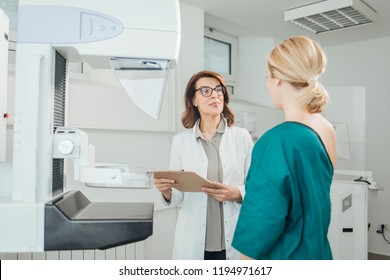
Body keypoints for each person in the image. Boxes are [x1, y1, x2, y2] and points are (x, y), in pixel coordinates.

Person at [232, 36, 337, 260]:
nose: (267, 83)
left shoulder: (276, 142)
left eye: (267, 77)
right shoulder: (326, 129)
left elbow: (259, 228)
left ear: (277, 79)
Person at [154, 70, 253, 260]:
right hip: (194, 241)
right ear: (193, 100)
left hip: (233, 239)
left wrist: (237, 192)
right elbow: (177, 197)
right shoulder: (181, 141)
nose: (215, 95)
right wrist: (166, 190)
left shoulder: (242, 137)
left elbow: (256, 186)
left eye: (218, 90)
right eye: (206, 91)